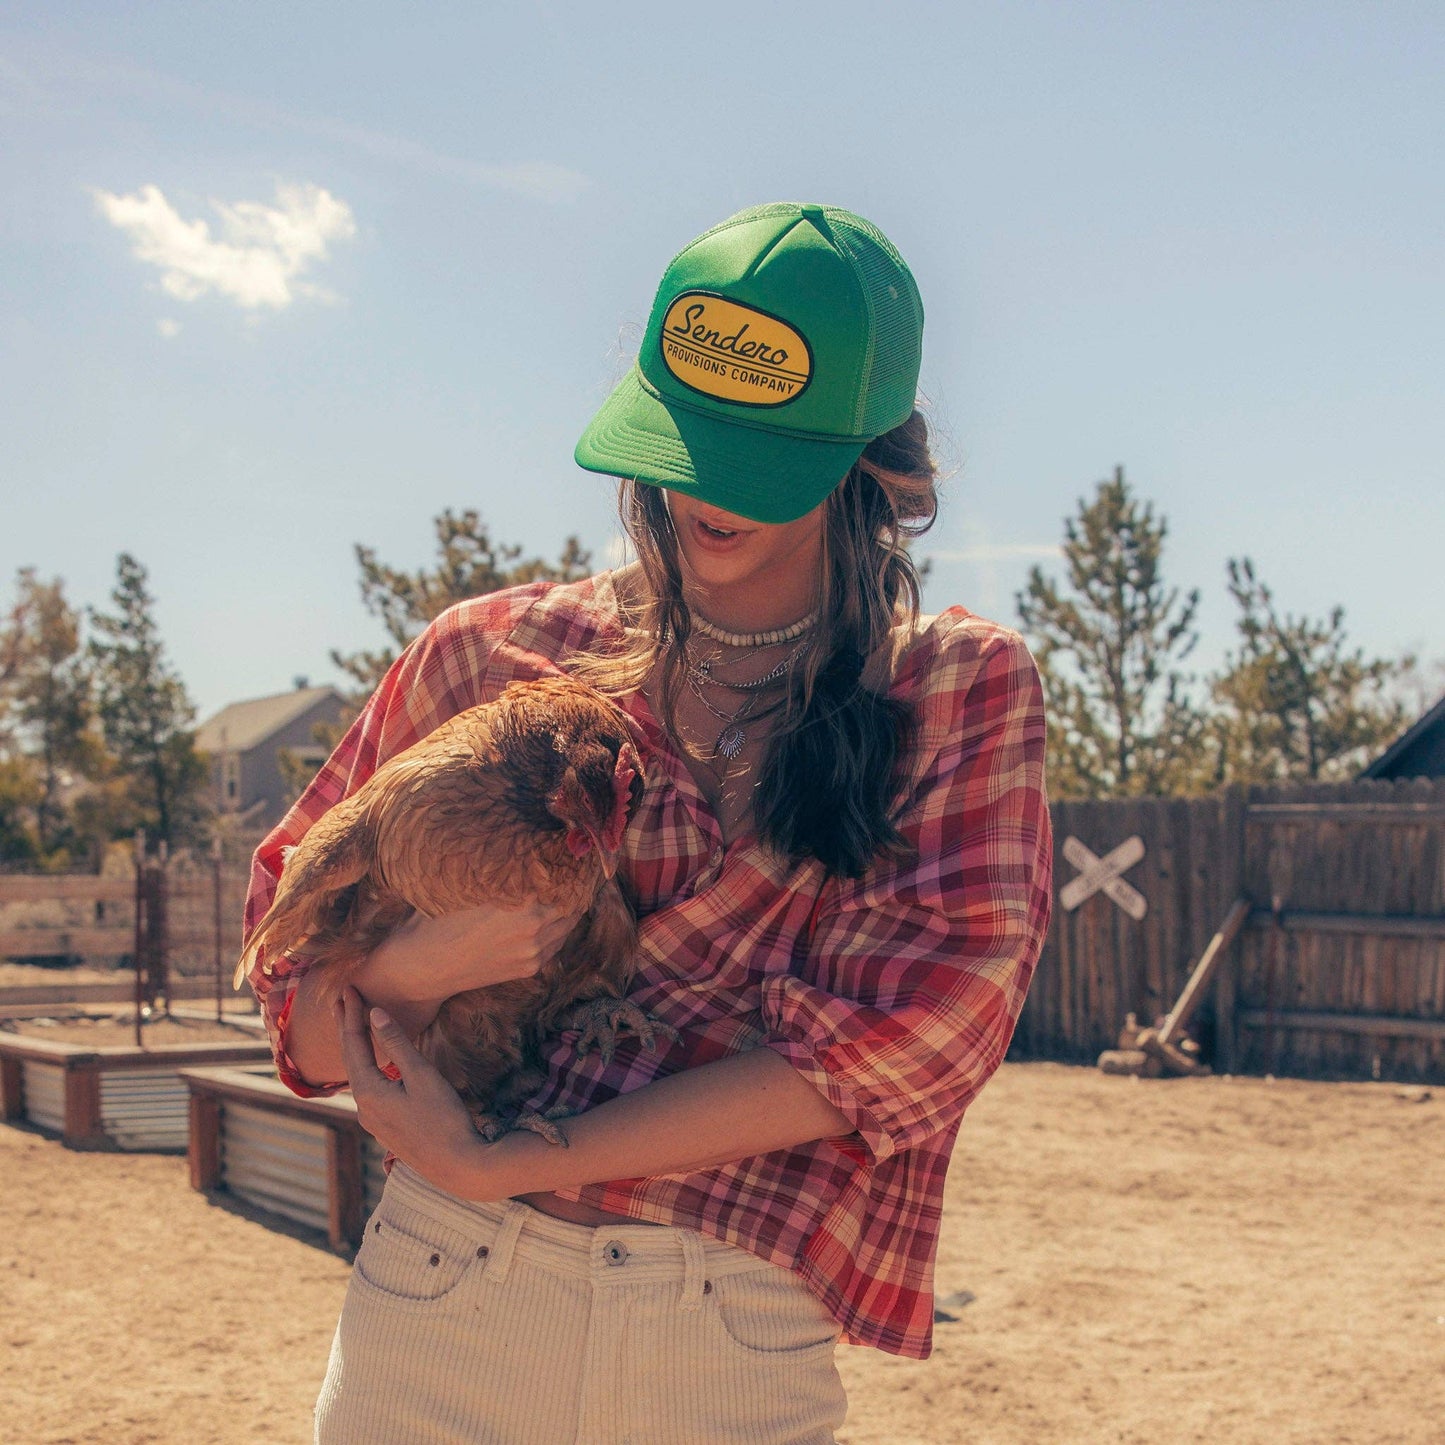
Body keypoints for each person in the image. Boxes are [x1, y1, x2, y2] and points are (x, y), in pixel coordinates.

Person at [243, 202, 1053, 1445]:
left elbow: (912, 1043)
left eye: (758, 454)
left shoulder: (952, 690)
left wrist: (503, 1156)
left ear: (871, 466)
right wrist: (422, 966)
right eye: (685, 439)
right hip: (441, 1291)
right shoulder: (490, 653)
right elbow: (298, 1014)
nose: (698, 492)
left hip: (720, 1330)